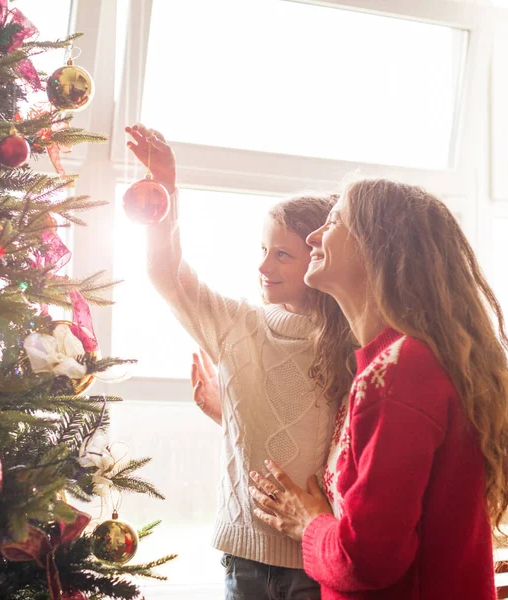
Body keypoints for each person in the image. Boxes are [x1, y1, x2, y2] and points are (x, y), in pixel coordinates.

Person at [250, 178, 508, 599]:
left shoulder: (400, 371)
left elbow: (366, 563)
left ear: (378, 247)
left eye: (334, 221)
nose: (314, 235)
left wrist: (308, 523)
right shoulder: (392, 363)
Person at [125, 123, 355, 600]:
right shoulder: (238, 324)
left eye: (283, 255)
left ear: (319, 258)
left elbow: (330, 435)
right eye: (264, 250)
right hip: (243, 557)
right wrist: (165, 186)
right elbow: (166, 273)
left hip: (316, 560)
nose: (264, 266)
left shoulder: (353, 340)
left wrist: (229, 413)